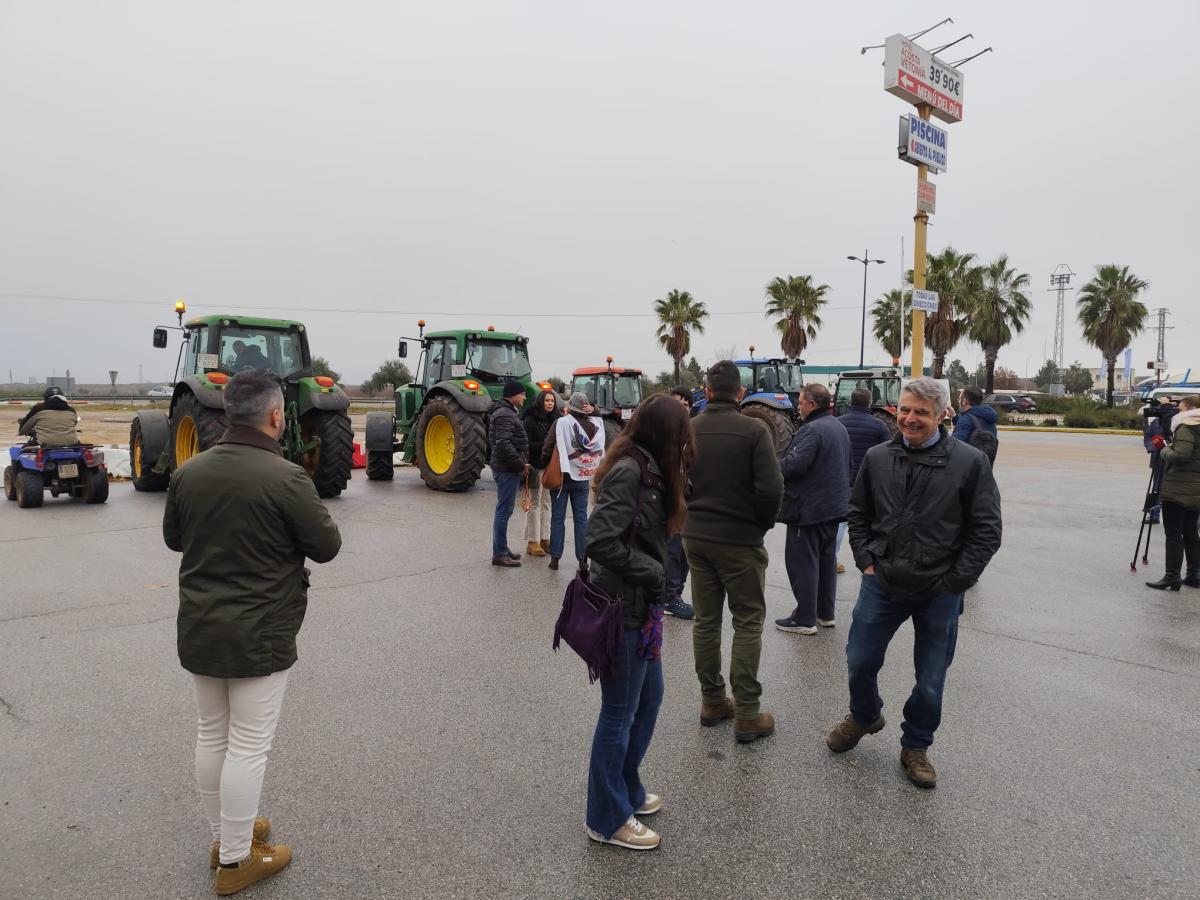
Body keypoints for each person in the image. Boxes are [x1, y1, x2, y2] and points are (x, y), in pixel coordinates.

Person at [162, 369, 341, 894]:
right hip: (260, 630)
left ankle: (225, 838)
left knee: (212, 733)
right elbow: (327, 545)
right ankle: (237, 861)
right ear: (276, 415)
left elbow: (176, 540)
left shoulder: (188, 473)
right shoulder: (286, 477)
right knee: (247, 746)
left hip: (199, 624)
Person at [825, 377, 1001, 789]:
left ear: (942, 415)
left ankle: (916, 745)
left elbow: (986, 530)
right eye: (905, 409)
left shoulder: (970, 462)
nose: (909, 418)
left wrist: (955, 581)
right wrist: (866, 560)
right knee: (859, 660)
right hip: (882, 581)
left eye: (921, 411)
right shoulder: (877, 457)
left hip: (939, 590)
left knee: (931, 677)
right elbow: (857, 512)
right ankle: (865, 715)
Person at [584, 394, 694, 850]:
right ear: (665, 432)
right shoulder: (630, 471)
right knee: (619, 712)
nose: (689, 440)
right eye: (683, 431)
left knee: (649, 699)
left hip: (642, 608)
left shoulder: (651, 467)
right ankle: (606, 818)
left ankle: (625, 789)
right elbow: (598, 541)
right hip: (622, 608)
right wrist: (653, 573)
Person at [685, 361, 784, 744]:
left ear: (707, 391)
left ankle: (712, 701)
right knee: (747, 621)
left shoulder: (689, 429)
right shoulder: (754, 430)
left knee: (706, 621)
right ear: (740, 393)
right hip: (740, 540)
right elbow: (772, 489)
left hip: (697, 537)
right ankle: (747, 712)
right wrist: (760, 524)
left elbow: (680, 481)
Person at [774, 384, 851, 635]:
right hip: (833, 508)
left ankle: (805, 618)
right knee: (826, 561)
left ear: (812, 404)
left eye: (802, 402)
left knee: (802, 563)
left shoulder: (813, 430)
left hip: (808, 509)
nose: (799, 406)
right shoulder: (838, 426)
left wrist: (768, 463)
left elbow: (795, 465)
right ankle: (824, 613)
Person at [542, 392, 605, 572]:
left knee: (558, 518)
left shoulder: (561, 423)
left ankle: (555, 558)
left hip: (562, 477)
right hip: (583, 477)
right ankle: (582, 559)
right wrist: (596, 411)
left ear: (571, 407)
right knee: (581, 519)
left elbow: (548, 447)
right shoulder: (595, 425)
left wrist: (544, 464)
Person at [834, 388, 891, 573]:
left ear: (851, 401)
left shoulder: (837, 423)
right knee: (871, 522)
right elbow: (887, 455)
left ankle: (832, 559)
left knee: (840, 522)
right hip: (869, 481)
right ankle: (871, 562)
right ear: (870, 402)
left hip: (843, 479)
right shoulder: (879, 425)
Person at [1146, 395, 1200, 590]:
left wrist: (1164, 450)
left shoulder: (1186, 427)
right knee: (1191, 532)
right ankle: (1195, 574)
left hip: (1179, 489)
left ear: (1189, 409)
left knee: (1174, 534)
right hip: (1195, 490)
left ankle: (1172, 576)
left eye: (1180, 408)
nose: (1178, 411)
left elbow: (1181, 455)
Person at [663, 387, 696, 619]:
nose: (681, 409)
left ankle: (676, 593)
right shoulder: (661, 434)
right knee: (672, 550)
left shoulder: (694, 433)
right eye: (677, 404)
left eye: (685, 405)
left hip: (689, 501)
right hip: (670, 501)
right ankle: (669, 597)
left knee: (684, 553)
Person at [488, 381, 529, 567]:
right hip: (507, 469)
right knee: (504, 511)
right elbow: (504, 443)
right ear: (513, 395)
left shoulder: (507, 411)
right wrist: (520, 465)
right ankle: (500, 553)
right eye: (522, 394)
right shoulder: (505, 414)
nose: (524, 397)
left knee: (503, 510)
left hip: (505, 467)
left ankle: (502, 547)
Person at [521, 389, 557, 557]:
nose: (550, 403)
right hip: (535, 467)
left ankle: (545, 538)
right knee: (534, 504)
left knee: (546, 504)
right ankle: (532, 541)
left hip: (550, 468)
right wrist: (545, 444)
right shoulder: (530, 421)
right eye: (547, 400)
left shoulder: (556, 421)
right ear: (541, 402)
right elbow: (525, 445)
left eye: (552, 401)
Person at [951, 387, 999, 455]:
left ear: (964, 401)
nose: (958, 401)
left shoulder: (966, 420)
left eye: (959, 399)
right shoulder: (988, 417)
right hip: (986, 463)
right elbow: (973, 426)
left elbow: (954, 445)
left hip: (968, 463)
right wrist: (954, 417)